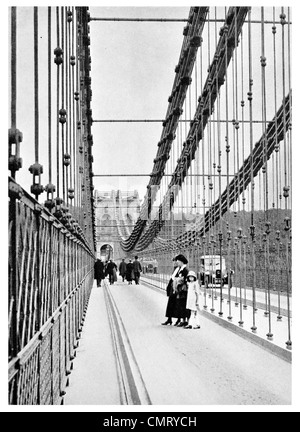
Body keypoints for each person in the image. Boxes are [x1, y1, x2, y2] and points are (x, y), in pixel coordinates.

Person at [161, 254, 190, 327]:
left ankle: (178, 320)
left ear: (182, 262)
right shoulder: (178, 269)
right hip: (174, 289)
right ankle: (170, 319)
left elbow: (185, 280)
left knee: (178, 304)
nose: (177, 263)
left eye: (178, 261)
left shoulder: (185, 270)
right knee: (171, 303)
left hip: (179, 290)